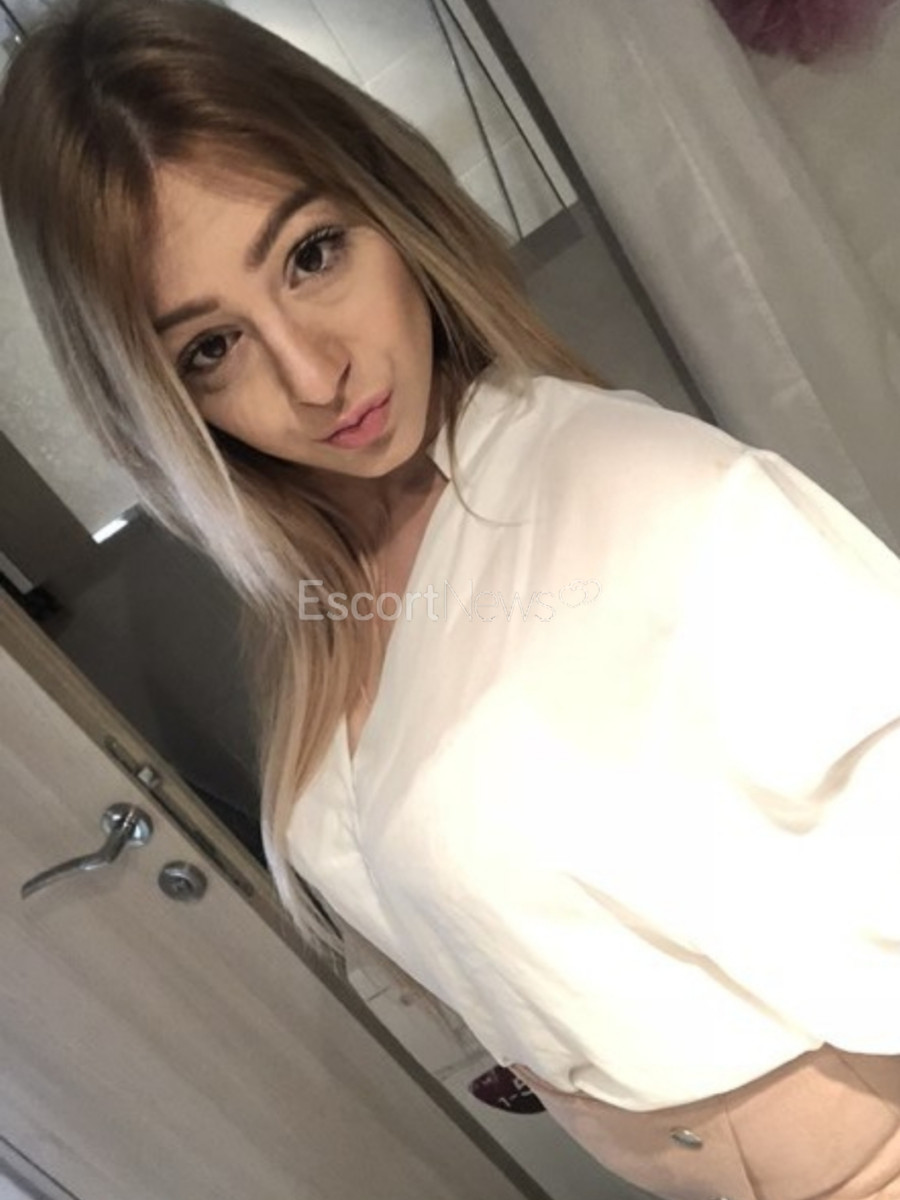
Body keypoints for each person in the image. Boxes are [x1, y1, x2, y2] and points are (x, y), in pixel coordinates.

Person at [1, 2, 899, 1197]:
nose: (315, 375)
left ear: (386, 201)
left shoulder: (659, 502)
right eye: (210, 348)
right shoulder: (328, 596)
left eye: (312, 254)